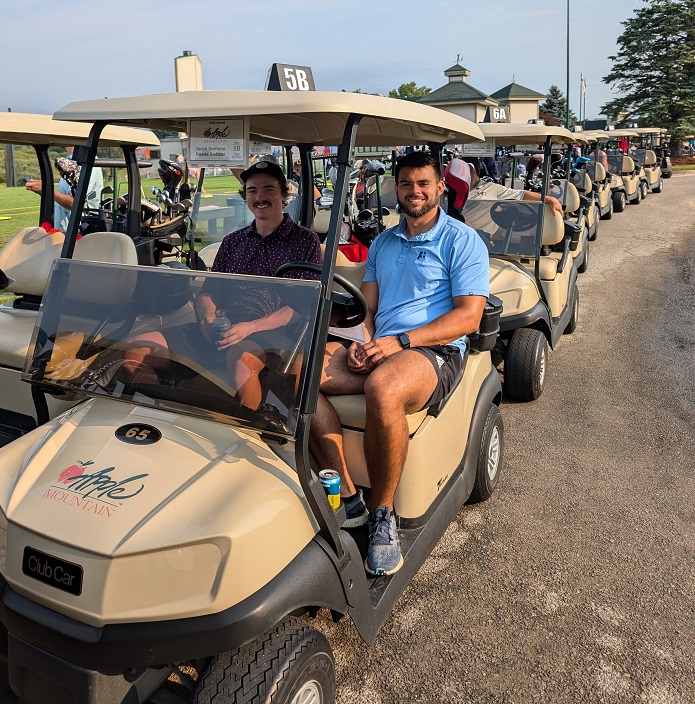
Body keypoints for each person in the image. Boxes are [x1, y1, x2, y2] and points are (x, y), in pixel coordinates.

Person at [309, 151, 490, 575]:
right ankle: (350, 499)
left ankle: (383, 514)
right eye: (406, 183)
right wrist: (363, 341)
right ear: (396, 187)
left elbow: (468, 316)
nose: (415, 191)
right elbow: (367, 307)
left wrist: (400, 341)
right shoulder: (384, 243)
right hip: (387, 344)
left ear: (440, 187)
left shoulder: (462, 241)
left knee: (383, 387)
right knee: (299, 374)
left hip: (434, 349)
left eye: (424, 183)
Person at [122, 160, 322, 412]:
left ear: (283, 194)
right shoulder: (232, 241)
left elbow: (302, 305)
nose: (260, 197)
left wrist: (250, 328)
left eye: (268, 189)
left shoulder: (305, 240)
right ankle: (162, 414)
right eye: (252, 190)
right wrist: (207, 317)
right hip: (224, 328)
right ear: (245, 195)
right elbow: (209, 292)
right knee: (135, 350)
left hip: (272, 332)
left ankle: (250, 434)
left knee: (240, 360)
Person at [25, 146, 104, 232]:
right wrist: (44, 190)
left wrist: (47, 190)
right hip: (66, 233)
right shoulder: (73, 160)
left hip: (78, 235)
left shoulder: (87, 162)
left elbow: (76, 203)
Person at [466, 157, 564, 216]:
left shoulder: (491, 188)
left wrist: (550, 199)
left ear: (476, 172)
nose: (465, 176)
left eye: (469, 172)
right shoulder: (453, 189)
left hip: (481, 236)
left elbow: (522, 195)